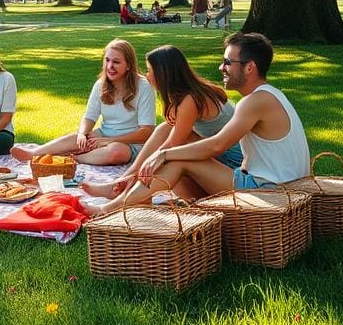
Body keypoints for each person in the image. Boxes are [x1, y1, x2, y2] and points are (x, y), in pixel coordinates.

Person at [84, 32, 310, 217]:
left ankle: (109, 209)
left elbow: (216, 146)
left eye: (228, 62)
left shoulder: (255, 101)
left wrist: (164, 155)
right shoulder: (268, 95)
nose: (221, 67)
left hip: (272, 190)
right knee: (172, 145)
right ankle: (133, 196)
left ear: (249, 67)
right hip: (276, 183)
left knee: (177, 161)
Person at [82, 44, 243, 200]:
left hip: (231, 167)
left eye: (150, 70)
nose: (147, 75)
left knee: (169, 150)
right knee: (165, 129)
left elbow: (173, 144)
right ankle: (125, 181)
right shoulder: (187, 95)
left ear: (162, 74)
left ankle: (125, 187)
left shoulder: (191, 99)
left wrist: (151, 162)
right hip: (218, 159)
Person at [12, 39, 155, 166]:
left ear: (129, 65)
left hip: (130, 144)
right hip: (103, 135)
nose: (110, 66)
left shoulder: (143, 86)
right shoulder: (101, 84)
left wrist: (109, 141)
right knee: (77, 138)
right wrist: (82, 133)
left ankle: (75, 158)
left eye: (116, 62)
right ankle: (35, 153)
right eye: (107, 60)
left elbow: (146, 132)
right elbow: (89, 117)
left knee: (116, 152)